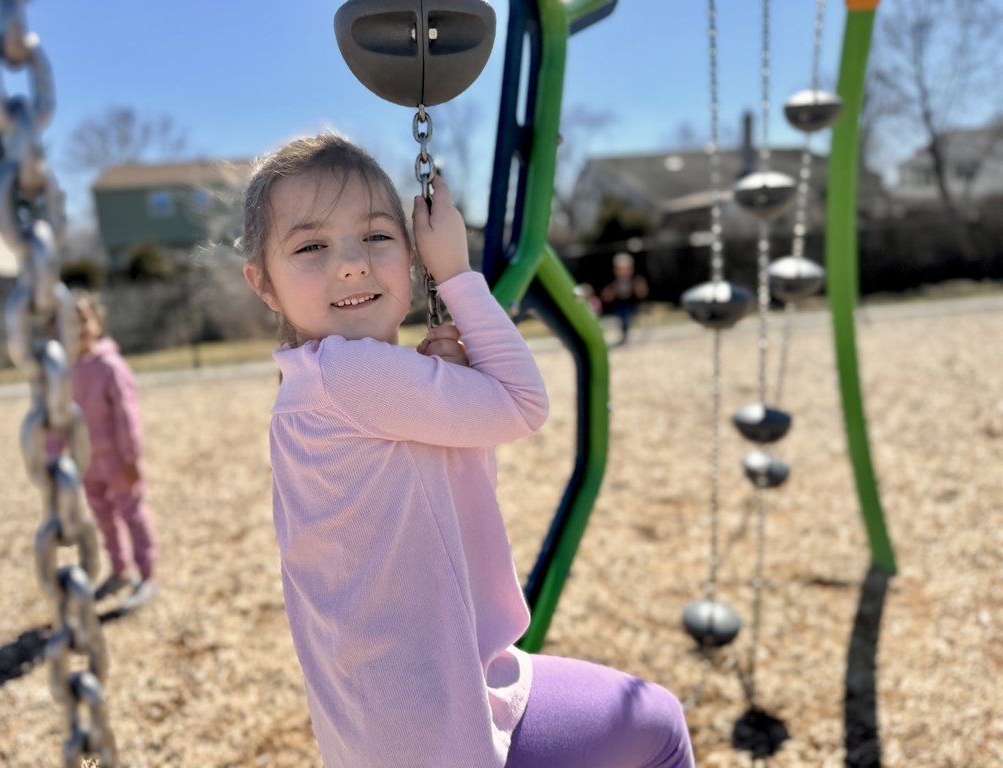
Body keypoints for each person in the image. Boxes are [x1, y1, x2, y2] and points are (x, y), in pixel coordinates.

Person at [240, 133, 694, 768]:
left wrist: (451, 381)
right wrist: (455, 272)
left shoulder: (312, 384)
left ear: (406, 250)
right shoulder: (348, 375)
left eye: (376, 236)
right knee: (661, 726)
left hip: (398, 714)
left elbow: (452, 488)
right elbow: (523, 405)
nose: (352, 263)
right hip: (436, 726)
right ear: (263, 284)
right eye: (311, 246)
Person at [68, 290, 159, 608]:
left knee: (131, 514)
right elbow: (57, 418)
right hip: (85, 462)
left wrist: (131, 455)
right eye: (68, 321)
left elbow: (126, 412)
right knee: (103, 517)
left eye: (83, 319)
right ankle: (121, 570)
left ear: (97, 321)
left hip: (117, 460)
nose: (77, 327)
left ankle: (147, 575)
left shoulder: (109, 366)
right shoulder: (64, 371)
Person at [600, 252, 649, 345]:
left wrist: (638, 288)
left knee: (628, 313)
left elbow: (643, 294)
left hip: (632, 304)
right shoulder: (613, 282)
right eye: (620, 269)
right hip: (618, 305)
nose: (623, 272)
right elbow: (605, 297)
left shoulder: (636, 280)